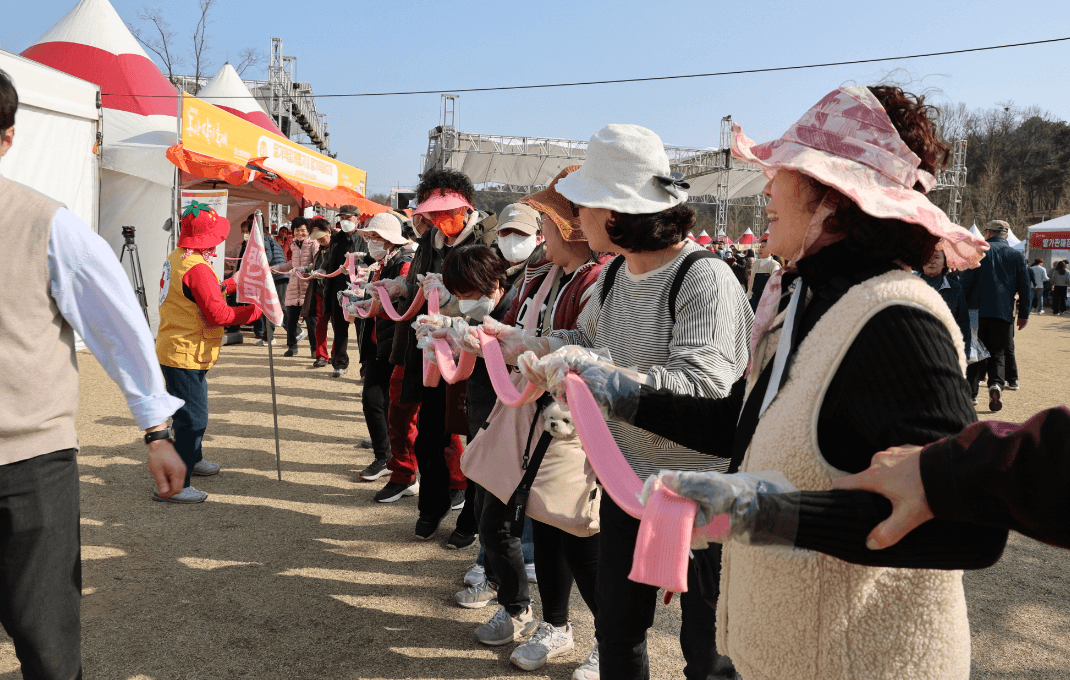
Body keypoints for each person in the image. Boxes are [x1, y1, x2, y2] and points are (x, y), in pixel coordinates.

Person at [524, 88, 989, 680]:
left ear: (836, 199)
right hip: (784, 645)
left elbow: (965, 528)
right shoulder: (804, 299)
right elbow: (735, 421)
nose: (766, 189)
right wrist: (606, 386)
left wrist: (765, 513)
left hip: (854, 658)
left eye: (784, 173)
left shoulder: (897, 317)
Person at [518, 124, 753, 680]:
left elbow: (703, 387)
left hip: (703, 494)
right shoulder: (616, 273)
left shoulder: (705, 278)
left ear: (619, 210)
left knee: (710, 651)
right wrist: (532, 347)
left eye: (586, 204)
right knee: (618, 633)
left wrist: (598, 373)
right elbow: (591, 345)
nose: (576, 218)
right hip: (628, 485)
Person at [0, 69, 186, 679]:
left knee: (43, 632)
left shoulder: (46, 224)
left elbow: (118, 326)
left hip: (28, 460)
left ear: (6, 138)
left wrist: (155, 429)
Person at [383, 168, 497, 540]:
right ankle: (433, 504)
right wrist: (398, 287)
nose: (439, 220)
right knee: (429, 434)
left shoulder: (490, 239)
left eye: (447, 212)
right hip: (428, 349)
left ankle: (473, 519)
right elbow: (415, 282)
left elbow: (495, 303)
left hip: (474, 354)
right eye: (432, 213)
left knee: (476, 434)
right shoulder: (429, 241)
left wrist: (451, 304)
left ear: (467, 207)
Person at [157, 202, 263, 503]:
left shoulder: (180, 258)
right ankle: (178, 482)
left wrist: (233, 282)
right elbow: (218, 314)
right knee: (192, 418)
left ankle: (195, 459)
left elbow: (205, 291)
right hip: (185, 350)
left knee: (190, 412)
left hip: (179, 347)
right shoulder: (198, 268)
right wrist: (254, 313)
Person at [354, 213, 413, 481]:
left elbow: (404, 304)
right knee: (373, 400)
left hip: (394, 342)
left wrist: (371, 306)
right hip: (377, 342)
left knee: (384, 403)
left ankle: (391, 458)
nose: (371, 242)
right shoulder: (380, 263)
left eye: (376, 238)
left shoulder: (403, 264)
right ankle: (384, 455)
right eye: (369, 237)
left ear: (390, 241)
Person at [959, 219, 1030, 411]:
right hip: (1003, 312)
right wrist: (1024, 314)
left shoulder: (979, 252)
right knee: (998, 353)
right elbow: (1025, 287)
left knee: (975, 353)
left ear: (988, 233)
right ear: (1006, 235)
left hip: (976, 311)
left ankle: (973, 395)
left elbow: (965, 282)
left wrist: (959, 307)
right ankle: (996, 384)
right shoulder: (1017, 256)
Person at [324, 205, 368, 378]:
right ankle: (340, 363)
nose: (345, 222)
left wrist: (356, 268)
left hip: (360, 290)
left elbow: (371, 261)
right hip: (339, 288)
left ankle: (365, 368)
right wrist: (322, 271)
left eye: (348, 218)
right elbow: (329, 262)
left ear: (358, 219)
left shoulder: (366, 238)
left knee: (362, 330)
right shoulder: (336, 239)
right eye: (342, 218)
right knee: (339, 328)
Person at [237, 218, 287, 346]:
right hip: (275, 274)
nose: (245, 234)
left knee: (278, 306)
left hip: (277, 275)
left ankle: (295, 331)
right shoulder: (262, 238)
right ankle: (268, 337)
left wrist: (255, 267)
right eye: (243, 231)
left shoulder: (261, 238)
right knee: (269, 305)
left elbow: (266, 257)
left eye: (246, 231)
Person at [275, 217, 318, 357]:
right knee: (291, 319)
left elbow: (317, 264)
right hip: (294, 287)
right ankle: (292, 347)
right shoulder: (293, 244)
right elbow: (290, 265)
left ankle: (314, 348)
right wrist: (274, 268)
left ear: (308, 231)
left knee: (311, 320)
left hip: (308, 287)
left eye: (303, 230)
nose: (299, 233)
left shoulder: (314, 244)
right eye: (297, 230)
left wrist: (303, 269)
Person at [919, 247, 970, 356]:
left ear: (944, 263)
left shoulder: (955, 288)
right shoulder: (909, 284)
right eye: (927, 257)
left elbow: (963, 321)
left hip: (945, 350)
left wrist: (965, 352)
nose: (932, 261)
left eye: (937, 257)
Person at [300, 219, 334, 368]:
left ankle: (337, 354)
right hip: (320, 291)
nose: (320, 240)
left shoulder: (337, 247)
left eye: (322, 236)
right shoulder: (320, 249)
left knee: (339, 326)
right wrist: (305, 270)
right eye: (317, 238)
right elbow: (315, 265)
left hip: (335, 292)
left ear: (329, 231)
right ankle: (321, 355)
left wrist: (325, 273)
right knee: (320, 324)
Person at [746, 234, 781, 312]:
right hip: (754, 301)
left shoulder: (774, 265)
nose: (760, 250)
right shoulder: (756, 263)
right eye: (760, 247)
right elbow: (751, 287)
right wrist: (746, 298)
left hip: (767, 303)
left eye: (763, 247)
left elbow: (776, 289)